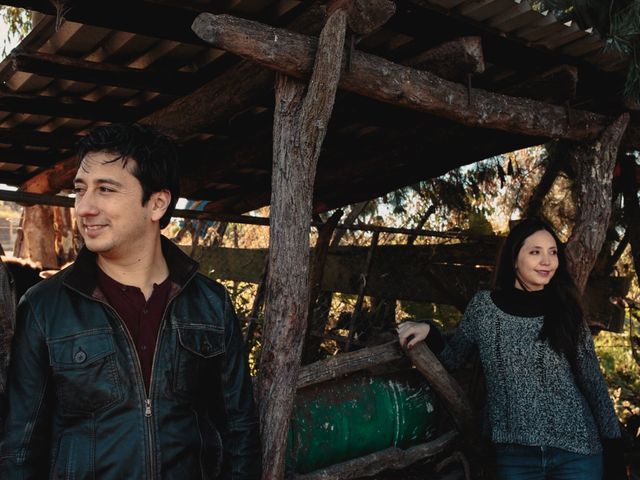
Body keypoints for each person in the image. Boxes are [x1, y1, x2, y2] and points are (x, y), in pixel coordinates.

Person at [0, 123, 261, 479]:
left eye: (105, 189)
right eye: (80, 190)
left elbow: (239, 432)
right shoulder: (45, 307)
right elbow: (20, 447)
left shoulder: (210, 304)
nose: (85, 208)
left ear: (156, 204)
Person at [397, 217, 625, 480]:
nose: (547, 261)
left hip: (576, 452)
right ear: (514, 259)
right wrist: (429, 330)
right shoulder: (484, 308)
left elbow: (593, 382)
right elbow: (453, 358)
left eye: (552, 252)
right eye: (535, 252)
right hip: (515, 458)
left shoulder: (566, 310)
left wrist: (615, 452)